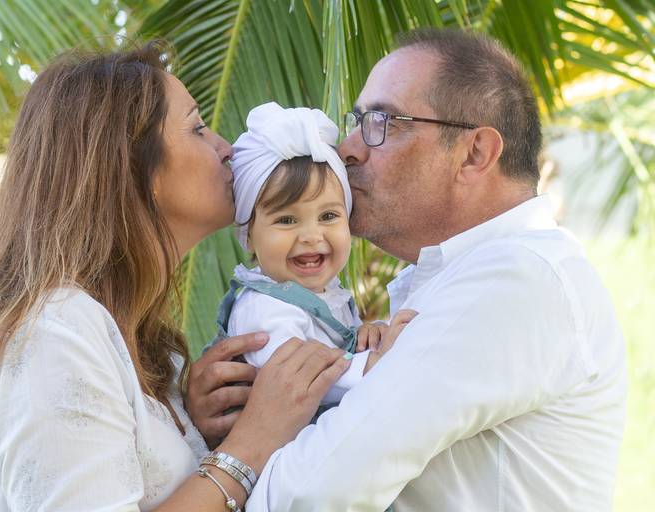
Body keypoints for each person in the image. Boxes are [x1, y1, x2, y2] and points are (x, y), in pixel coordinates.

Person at [0, 43, 354, 511]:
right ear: (132, 166)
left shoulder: (130, 334)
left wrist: (196, 427)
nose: (226, 148)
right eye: (197, 128)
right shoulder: (52, 334)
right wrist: (253, 442)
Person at [242, 28, 627, 511]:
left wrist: (234, 454)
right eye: (357, 121)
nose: (348, 149)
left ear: (475, 153)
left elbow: (310, 493)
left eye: (383, 122)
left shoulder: (514, 278)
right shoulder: (466, 275)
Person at [213, 102, 410, 408]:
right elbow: (297, 378)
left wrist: (365, 338)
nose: (311, 236)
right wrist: (371, 364)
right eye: (286, 220)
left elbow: (335, 353)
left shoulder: (328, 294)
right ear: (249, 236)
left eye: (328, 216)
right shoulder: (264, 307)